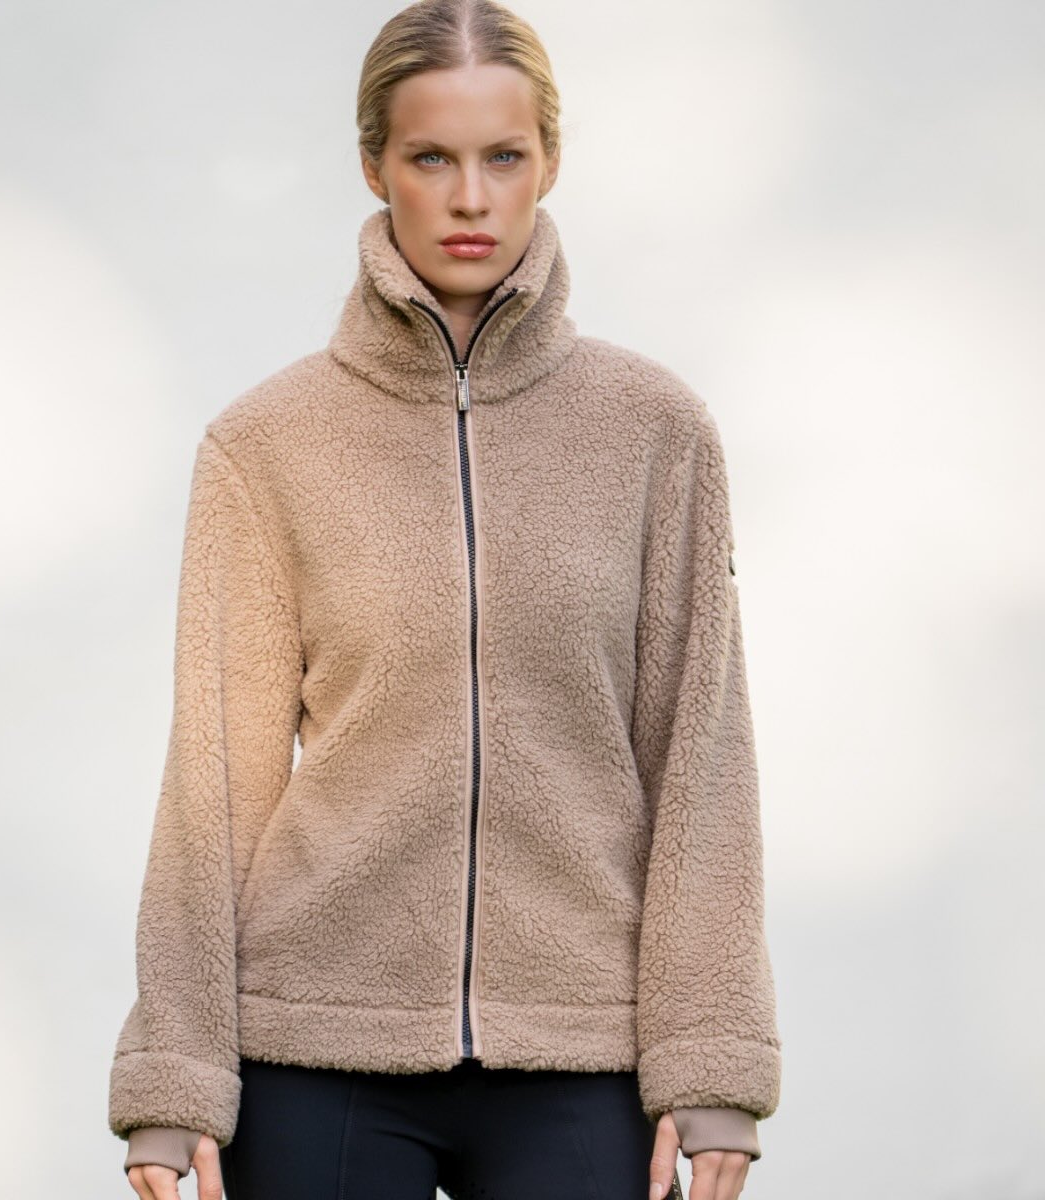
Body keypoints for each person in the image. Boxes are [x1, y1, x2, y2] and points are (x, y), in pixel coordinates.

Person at [108, 1, 783, 1197]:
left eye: (502, 156)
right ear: (375, 166)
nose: (470, 197)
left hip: (580, 1045)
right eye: (431, 157)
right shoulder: (266, 445)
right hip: (317, 1044)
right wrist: (176, 1078)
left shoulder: (654, 432)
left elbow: (702, 763)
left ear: (549, 163)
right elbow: (214, 780)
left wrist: (713, 1058)